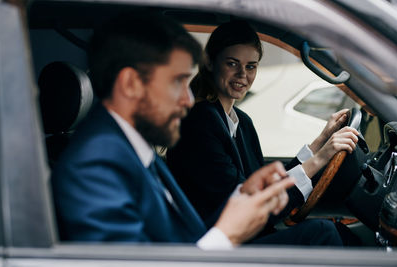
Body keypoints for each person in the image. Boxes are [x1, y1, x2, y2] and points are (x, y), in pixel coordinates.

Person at [51, 13, 343, 250]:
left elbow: (185, 232)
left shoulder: (132, 149)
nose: (188, 99)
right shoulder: (95, 166)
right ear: (130, 84)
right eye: (176, 82)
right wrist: (226, 235)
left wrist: (244, 198)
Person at [166, 20, 359, 234]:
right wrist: (322, 157)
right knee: (325, 233)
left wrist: (321, 141)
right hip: (224, 244)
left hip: (249, 236)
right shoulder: (199, 122)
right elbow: (251, 204)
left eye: (251, 66)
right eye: (232, 63)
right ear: (210, 62)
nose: (243, 75)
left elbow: (266, 185)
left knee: (333, 231)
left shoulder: (242, 122)